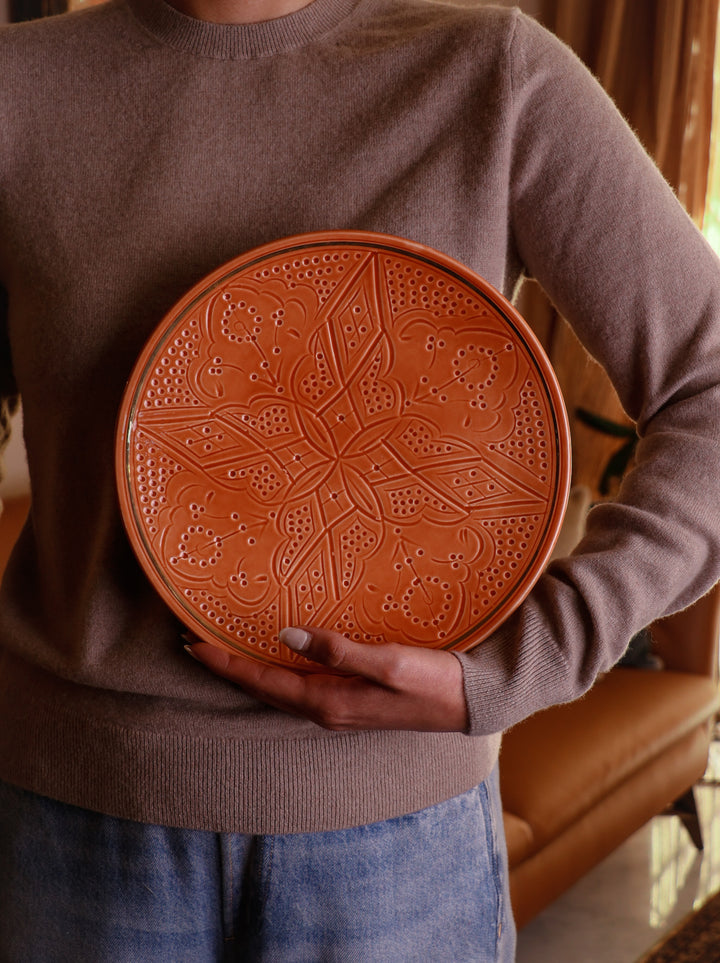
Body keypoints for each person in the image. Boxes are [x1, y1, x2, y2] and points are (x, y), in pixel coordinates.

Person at [1, 0, 719, 959]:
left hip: (398, 857)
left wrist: (530, 656)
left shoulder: (489, 71)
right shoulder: (20, 87)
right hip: (67, 830)